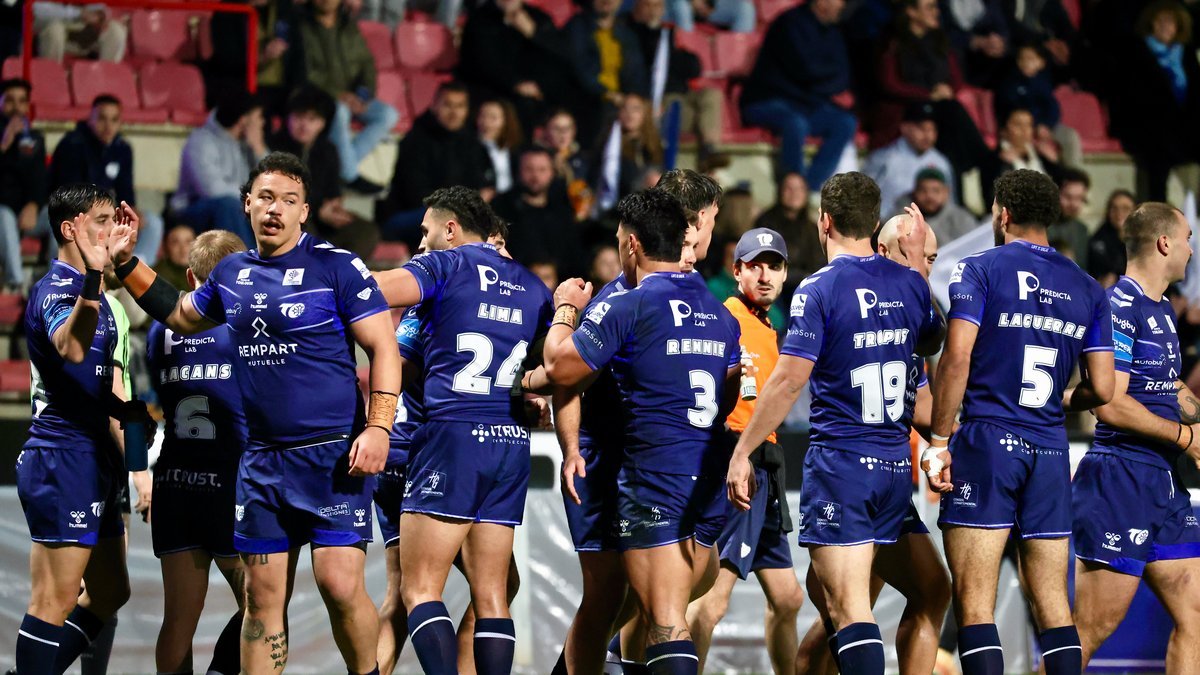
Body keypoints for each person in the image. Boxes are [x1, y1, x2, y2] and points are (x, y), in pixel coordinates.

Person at [108, 151, 400, 675]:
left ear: (304, 211)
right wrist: (128, 263)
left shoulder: (337, 266)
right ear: (247, 203)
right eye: (265, 197)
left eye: (288, 200)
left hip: (332, 459)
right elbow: (180, 313)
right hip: (262, 464)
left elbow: (384, 348)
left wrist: (379, 427)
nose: (275, 209)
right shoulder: (232, 273)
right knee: (261, 600)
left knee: (338, 585)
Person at [726, 172, 944, 675]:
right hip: (894, 472)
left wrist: (741, 452)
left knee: (848, 614)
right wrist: (916, 270)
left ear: (824, 222)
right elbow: (932, 340)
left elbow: (787, 382)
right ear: (875, 222)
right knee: (932, 592)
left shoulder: (818, 288)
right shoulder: (910, 284)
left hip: (843, 471)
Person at [924, 169, 1116, 675]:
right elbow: (1104, 389)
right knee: (1053, 605)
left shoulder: (978, 269)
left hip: (988, 440)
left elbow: (956, 357)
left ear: (1003, 213)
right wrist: (1060, 398)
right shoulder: (1088, 287)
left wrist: (939, 439)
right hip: (1051, 448)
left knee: (974, 603)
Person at [545, 188, 742, 675]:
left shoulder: (628, 303)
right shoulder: (720, 311)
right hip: (704, 470)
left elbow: (560, 369)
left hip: (651, 471)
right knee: (639, 602)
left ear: (631, 243)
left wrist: (564, 310)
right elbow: (730, 393)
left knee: (658, 615)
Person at [371, 186, 553, 675]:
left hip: (444, 440)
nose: (421, 244)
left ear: (451, 229)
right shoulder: (534, 288)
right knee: (495, 592)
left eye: (426, 232)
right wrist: (526, 391)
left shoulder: (443, 269)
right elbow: (552, 366)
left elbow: (381, 313)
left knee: (414, 591)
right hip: (508, 442)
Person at [795, 211, 950, 675]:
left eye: (932, 258)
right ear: (884, 251)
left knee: (931, 590)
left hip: (886, 482)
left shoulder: (904, 314)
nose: (926, 267)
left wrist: (954, 438)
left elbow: (921, 406)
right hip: (848, 478)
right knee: (847, 613)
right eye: (920, 255)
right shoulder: (852, 300)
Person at [1069, 202, 1200, 671]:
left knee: (1195, 615)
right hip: (1120, 479)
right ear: (1165, 243)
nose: (1191, 250)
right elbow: (1110, 402)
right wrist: (1185, 437)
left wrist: (1197, 424)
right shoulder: (1117, 307)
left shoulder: (1161, 308)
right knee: (1091, 628)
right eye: (1187, 239)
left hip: (1163, 481)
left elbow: (1167, 384)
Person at [14, 184, 137, 675]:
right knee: (54, 599)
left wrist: (138, 465)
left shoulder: (102, 297)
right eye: (101, 221)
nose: (112, 229)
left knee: (110, 591)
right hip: (61, 456)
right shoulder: (56, 290)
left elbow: (113, 392)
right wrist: (94, 277)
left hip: (95, 457)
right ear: (70, 229)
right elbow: (70, 346)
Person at [686, 228, 805, 675]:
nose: (765, 275)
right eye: (755, 266)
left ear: (785, 274)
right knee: (709, 602)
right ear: (736, 271)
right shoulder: (725, 318)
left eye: (774, 266)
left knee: (788, 598)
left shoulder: (769, 327)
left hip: (764, 469)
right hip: (737, 466)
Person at [147, 229, 249, 675]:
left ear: (191, 277)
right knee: (262, 604)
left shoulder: (159, 330)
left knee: (177, 620)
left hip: (176, 480)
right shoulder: (243, 326)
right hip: (230, 480)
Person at [739, 0, 857, 188]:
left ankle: (809, 188)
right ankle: (792, 188)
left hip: (806, 104)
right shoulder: (789, 23)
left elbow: (843, 76)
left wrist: (823, 80)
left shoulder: (833, 31)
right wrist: (827, 79)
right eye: (838, 0)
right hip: (766, 99)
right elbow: (806, 70)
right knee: (795, 123)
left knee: (845, 122)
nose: (842, 6)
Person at [875, 0, 990, 188]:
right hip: (908, 105)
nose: (936, 12)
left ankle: (968, 173)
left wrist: (948, 90)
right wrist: (927, 94)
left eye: (936, 7)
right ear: (911, 12)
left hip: (939, 105)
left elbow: (956, 79)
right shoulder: (893, 43)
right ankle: (985, 160)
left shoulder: (940, 41)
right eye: (929, 7)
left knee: (950, 116)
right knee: (952, 111)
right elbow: (890, 84)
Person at [48, 94, 165, 266]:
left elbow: (125, 188)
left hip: (104, 212)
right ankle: (60, 274)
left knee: (152, 223)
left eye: (114, 120)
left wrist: (129, 207)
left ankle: (133, 272)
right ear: (91, 119)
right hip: (72, 211)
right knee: (65, 225)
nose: (108, 126)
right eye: (102, 118)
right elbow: (69, 193)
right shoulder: (72, 144)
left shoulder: (122, 148)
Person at [296, 0, 399, 194]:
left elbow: (366, 63)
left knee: (388, 114)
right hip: (318, 95)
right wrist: (339, 95)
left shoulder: (348, 26)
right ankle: (350, 175)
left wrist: (362, 95)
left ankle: (343, 166)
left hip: (353, 95)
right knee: (341, 111)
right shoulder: (301, 26)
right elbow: (306, 70)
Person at [269, 87, 380, 259]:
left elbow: (333, 190)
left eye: (312, 119)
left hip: (322, 218)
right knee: (301, 225)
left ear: (323, 123)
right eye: (299, 117)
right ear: (288, 118)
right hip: (290, 216)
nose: (304, 125)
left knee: (365, 232)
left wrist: (334, 208)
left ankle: (343, 273)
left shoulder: (328, 150)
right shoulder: (274, 148)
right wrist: (318, 210)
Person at [1109, 0, 1200, 202]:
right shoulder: (1136, 52)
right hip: (1149, 130)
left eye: (1170, 22)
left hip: (1183, 131)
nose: (1165, 26)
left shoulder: (1186, 54)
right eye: (1160, 21)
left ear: (1179, 26)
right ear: (1151, 23)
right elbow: (1131, 97)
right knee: (1157, 164)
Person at [383, 82, 493, 248]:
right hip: (410, 215)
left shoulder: (472, 142)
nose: (454, 113)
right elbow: (416, 194)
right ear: (434, 106)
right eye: (448, 105)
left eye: (460, 106)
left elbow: (484, 185)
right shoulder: (416, 140)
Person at [455, 0, 575, 133]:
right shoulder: (479, 19)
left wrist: (534, 33)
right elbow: (478, 62)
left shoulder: (538, 18)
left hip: (536, 90)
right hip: (491, 88)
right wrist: (515, 83)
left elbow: (559, 58)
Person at [627, 0, 724, 163]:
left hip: (684, 94)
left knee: (712, 94)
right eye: (648, 6)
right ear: (637, 8)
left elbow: (693, 69)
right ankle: (703, 152)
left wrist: (676, 55)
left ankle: (710, 148)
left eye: (657, 6)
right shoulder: (630, 33)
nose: (653, 11)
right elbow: (648, 61)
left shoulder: (667, 33)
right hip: (663, 98)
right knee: (677, 104)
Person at [171, 95, 268, 248]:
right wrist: (253, 196)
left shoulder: (246, 144)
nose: (262, 122)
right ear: (243, 120)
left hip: (238, 206)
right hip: (193, 210)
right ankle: (245, 260)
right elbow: (212, 190)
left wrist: (259, 148)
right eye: (259, 117)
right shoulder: (201, 140)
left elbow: (272, 180)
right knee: (229, 205)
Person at [563, 0, 649, 142]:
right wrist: (608, 94)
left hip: (620, 99)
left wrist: (637, 98)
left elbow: (636, 72)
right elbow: (581, 68)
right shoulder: (578, 27)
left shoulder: (626, 33)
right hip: (591, 100)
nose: (607, 1)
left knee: (643, 110)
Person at [494, 147, 586, 279]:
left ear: (552, 172)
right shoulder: (500, 207)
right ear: (518, 171)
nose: (535, 176)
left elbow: (574, 255)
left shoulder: (563, 209)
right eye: (529, 169)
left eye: (542, 169)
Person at [994, 44, 1083, 170]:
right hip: (1023, 127)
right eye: (1022, 59)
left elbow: (1053, 108)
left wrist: (1047, 124)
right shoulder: (1010, 83)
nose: (1026, 62)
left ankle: (1072, 174)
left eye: (1031, 59)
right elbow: (1013, 111)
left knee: (1070, 136)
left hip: (1045, 127)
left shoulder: (1044, 83)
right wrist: (1035, 125)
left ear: (1041, 63)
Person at [862, 102, 956, 218]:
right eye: (922, 128)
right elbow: (863, 198)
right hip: (887, 224)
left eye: (932, 129)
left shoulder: (942, 163)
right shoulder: (884, 158)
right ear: (904, 127)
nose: (928, 135)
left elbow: (950, 204)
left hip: (932, 225)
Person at [0, 78, 47, 293]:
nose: (16, 107)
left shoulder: (35, 139)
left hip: (27, 214)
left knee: (61, 217)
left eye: (22, 101)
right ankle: (16, 284)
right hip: (4, 213)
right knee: (4, 215)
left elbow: (40, 179)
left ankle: (53, 283)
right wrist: (5, 142)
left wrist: (34, 204)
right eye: (10, 101)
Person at [753, 173, 825, 288]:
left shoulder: (812, 228)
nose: (794, 193)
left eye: (799, 188)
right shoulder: (765, 224)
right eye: (789, 188)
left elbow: (819, 263)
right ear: (780, 191)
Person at [981, 108, 1063, 208]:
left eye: (1028, 125)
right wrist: (1002, 164)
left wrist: (1055, 164)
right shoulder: (994, 159)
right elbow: (991, 197)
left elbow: (1061, 189)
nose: (1024, 130)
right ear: (1003, 130)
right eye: (1018, 124)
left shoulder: (1041, 155)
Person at [33, 2, 126, 62]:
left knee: (115, 29)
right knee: (55, 29)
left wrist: (101, 16)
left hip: (85, 29)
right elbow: (37, 9)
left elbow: (100, 7)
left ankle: (106, 78)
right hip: (52, 27)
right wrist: (79, 13)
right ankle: (51, 76)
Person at [911, 168, 977, 246]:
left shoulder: (962, 219)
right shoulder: (905, 219)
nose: (929, 196)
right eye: (923, 191)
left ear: (946, 192)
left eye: (936, 191)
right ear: (915, 193)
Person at [1087, 189, 1137, 288]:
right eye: (1114, 208)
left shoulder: (1142, 239)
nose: (1119, 213)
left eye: (1125, 208)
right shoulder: (1099, 239)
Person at [1048, 167, 1091, 270]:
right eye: (1068, 197)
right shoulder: (1040, 227)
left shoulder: (1082, 230)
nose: (1074, 204)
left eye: (1079, 198)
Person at [478, 100, 524, 195]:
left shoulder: (516, 150)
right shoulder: (470, 149)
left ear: (506, 121)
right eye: (482, 116)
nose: (486, 122)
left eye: (493, 118)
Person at [154, 224, 197, 292]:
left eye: (188, 242)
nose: (183, 249)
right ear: (166, 246)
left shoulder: (204, 273)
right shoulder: (157, 277)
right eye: (175, 242)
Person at [667, 0, 755, 32]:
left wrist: (710, 3)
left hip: (706, 5)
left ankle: (735, 62)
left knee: (745, 8)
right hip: (679, 4)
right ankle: (686, 53)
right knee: (683, 8)